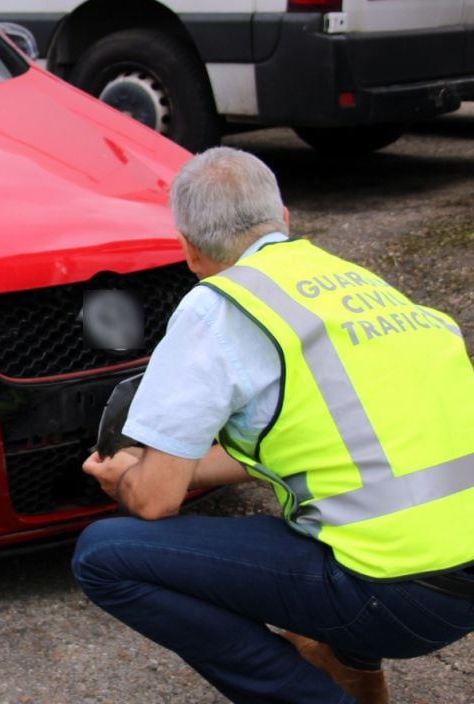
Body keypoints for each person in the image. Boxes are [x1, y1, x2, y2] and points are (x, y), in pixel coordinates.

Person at [71, 146, 474, 704]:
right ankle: (350, 667)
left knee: (104, 555)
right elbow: (307, 439)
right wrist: (176, 465)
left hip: (392, 594)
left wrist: (130, 475)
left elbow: (155, 502)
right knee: (323, 528)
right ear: (283, 218)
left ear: (189, 250)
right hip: (458, 581)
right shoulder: (356, 284)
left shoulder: (218, 306)